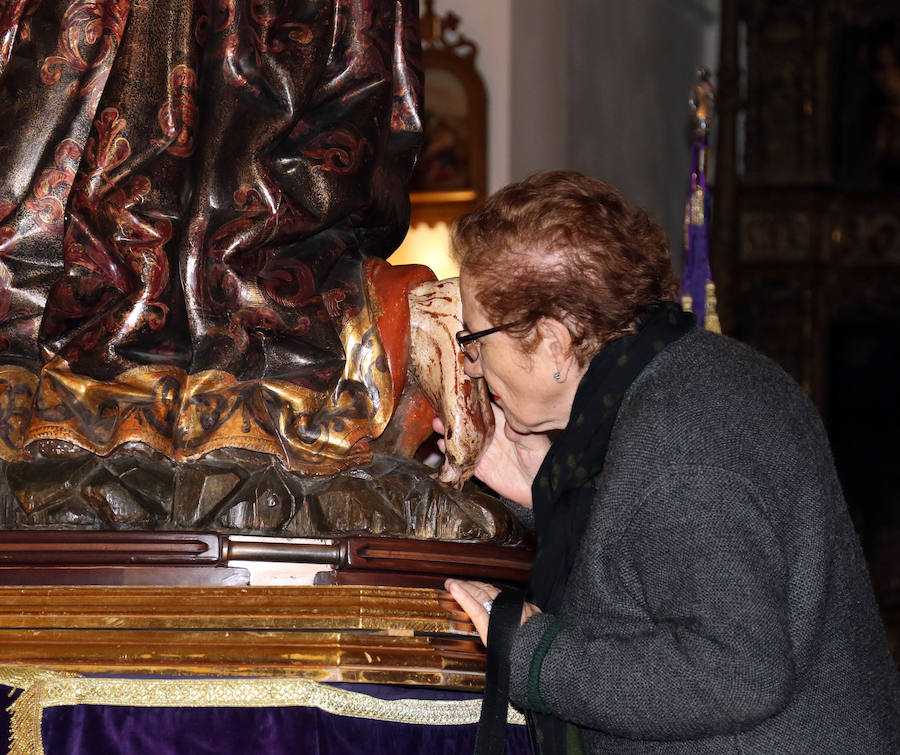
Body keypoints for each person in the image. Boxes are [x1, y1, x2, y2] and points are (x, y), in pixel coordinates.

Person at [435, 171, 900, 753]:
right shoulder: (682, 373)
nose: (473, 366)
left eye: (475, 339)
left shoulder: (678, 440)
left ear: (552, 341)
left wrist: (534, 654)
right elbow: (647, 556)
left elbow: (734, 673)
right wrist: (543, 488)